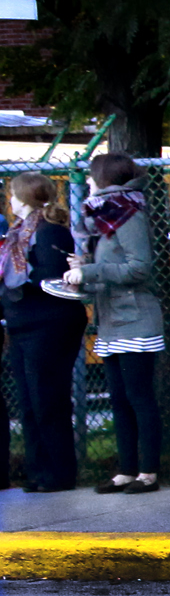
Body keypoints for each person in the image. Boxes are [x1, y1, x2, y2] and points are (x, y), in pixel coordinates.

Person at [76, 153, 170, 493]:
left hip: (135, 320)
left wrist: (90, 271)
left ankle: (148, 472)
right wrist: (81, 277)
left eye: (91, 176)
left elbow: (138, 268)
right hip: (111, 322)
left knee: (138, 397)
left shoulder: (128, 214)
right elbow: (108, 272)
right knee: (118, 399)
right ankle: (127, 470)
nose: (88, 183)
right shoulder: (106, 218)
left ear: (104, 179)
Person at [3, 177, 76, 493]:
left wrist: (21, 286)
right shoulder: (17, 232)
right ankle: (38, 471)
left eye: (12, 194)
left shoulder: (48, 232)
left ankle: (59, 472)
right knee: (29, 403)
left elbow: (51, 278)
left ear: (24, 197)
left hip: (47, 324)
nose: (9, 199)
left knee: (47, 399)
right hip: (22, 324)